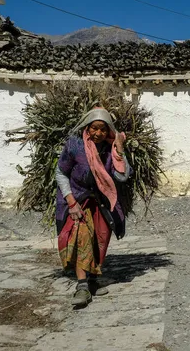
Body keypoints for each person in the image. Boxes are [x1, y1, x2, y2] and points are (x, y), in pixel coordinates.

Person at [55, 107, 132, 307]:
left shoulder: (110, 149)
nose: (98, 133)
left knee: (100, 239)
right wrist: (71, 201)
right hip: (78, 200)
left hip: (102, 202)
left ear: (109, 131)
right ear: (87, 127)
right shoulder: (75, 145)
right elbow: (61, 173)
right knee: (82, 237)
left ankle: (92, 280)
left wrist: (119, 150)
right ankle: (82, 286)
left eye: (103, 130)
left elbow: (122, 177)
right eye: (94, 128)